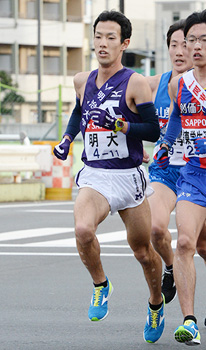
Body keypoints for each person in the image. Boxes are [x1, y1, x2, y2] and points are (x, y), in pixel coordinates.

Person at [53, 10, 165, 344]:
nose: (103, 44)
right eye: (98, 36)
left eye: (110, 38)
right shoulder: (81, 80)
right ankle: (101, 284)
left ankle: (156, 303)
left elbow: (154, 131)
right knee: (83, 229)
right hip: (96, 175)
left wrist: (124, 126)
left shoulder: (136, 82)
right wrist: (67, 138)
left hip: (128, 177)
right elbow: (79, 111)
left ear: (124, 43)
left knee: (144, 253)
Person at [154, 9, 206, 346]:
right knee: (185, 242)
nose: (196, 47)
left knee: (203, 245)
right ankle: (189, 320)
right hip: (192, 174)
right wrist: (165, 144)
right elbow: (175, 118)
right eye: (191, 41)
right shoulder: (180, 84)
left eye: (203, 40)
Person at [146, 20, 193, 304]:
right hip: (165, 172)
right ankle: (171, 267)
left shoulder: (200, 85)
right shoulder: (154, 84)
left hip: (197, 171)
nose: (179, 51)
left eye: (184, 44)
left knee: (198, 243)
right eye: (173, 45)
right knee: (154, 228)